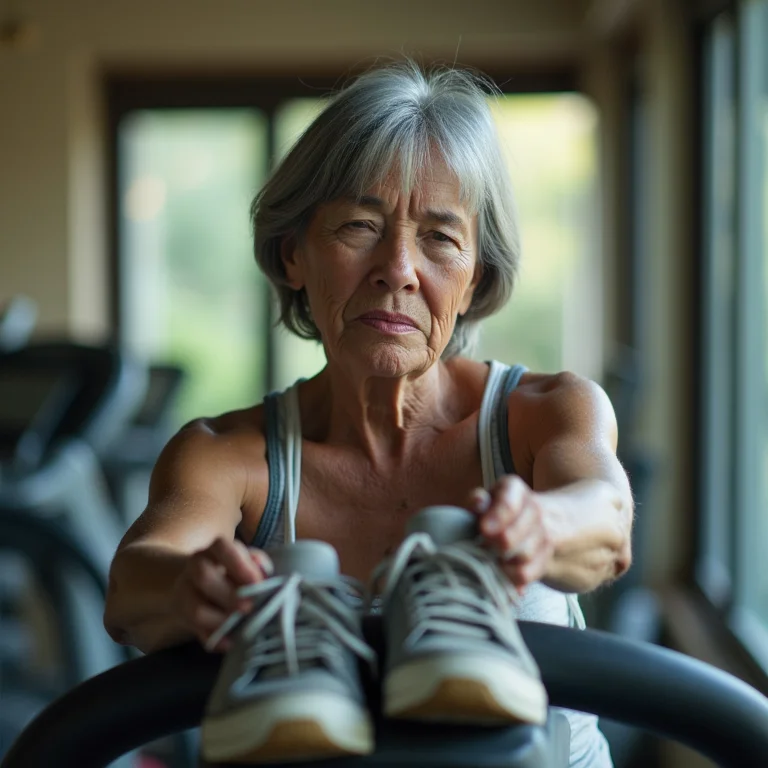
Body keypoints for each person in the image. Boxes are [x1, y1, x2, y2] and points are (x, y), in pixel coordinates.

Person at [104, 61, 633, 767]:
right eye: (359, 226)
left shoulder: (545, 416)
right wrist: (191, 586)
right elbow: (135, 584)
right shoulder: (227, 455)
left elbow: (606, 520)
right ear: (294, 254)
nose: (400, 269)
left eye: (441, 239)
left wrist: (543, 525)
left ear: (476, 277)